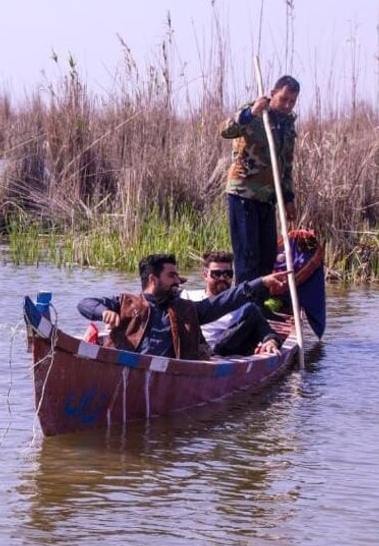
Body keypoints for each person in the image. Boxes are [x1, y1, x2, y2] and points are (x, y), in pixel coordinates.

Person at [78, 253, 287, 360]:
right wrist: (103, 312)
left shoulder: (186, 310)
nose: (178, 281)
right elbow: (85, 304)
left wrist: (261, 283)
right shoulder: (125, 302)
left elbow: (224, 301)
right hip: (126, 366)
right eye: (172, 275)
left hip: (167, 373)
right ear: (153, 279)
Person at [220, 74, 300, 285]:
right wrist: (251, 112)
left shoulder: (288, 125)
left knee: (267, 257)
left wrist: (288, 197)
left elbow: (286, 166)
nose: (287, 105)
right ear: (273, 94)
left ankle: (260, 306)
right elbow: (226, 130)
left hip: (268, 197)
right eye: (283, 99)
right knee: (248, 257)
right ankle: (244, 307)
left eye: (292, 101)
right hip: (244, 192)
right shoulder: (255, 112)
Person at [180, 250, 282, 355]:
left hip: (222, 354)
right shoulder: (187, 297)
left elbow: (266, 330)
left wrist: (271, 341)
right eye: (216, 274)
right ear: (205, 275)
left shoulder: (244, 307)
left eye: (228, 274)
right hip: (192, 351)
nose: (222, 278)